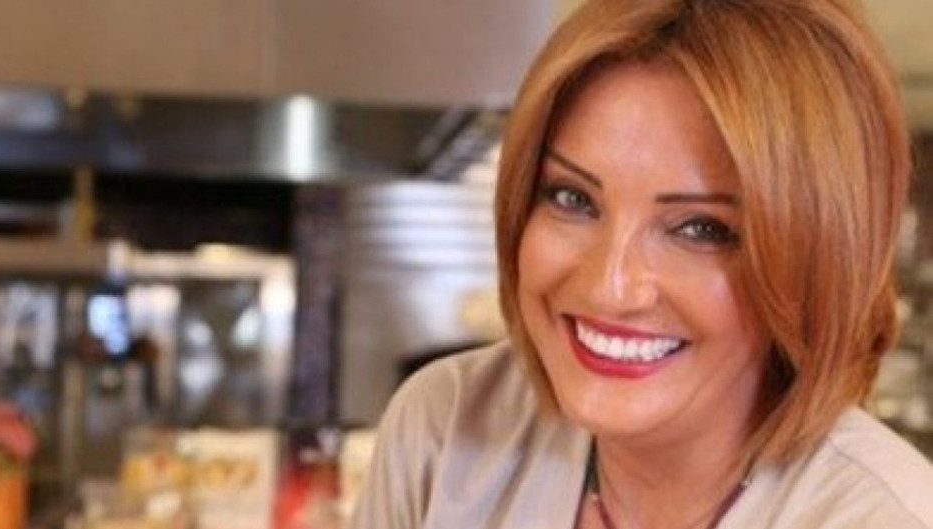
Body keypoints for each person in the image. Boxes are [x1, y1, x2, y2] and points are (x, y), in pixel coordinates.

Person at [350, 0, 933, 528]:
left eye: (701, 228)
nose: (610, 287)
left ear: (815, 263)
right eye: (573, 198)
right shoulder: (445, 432)